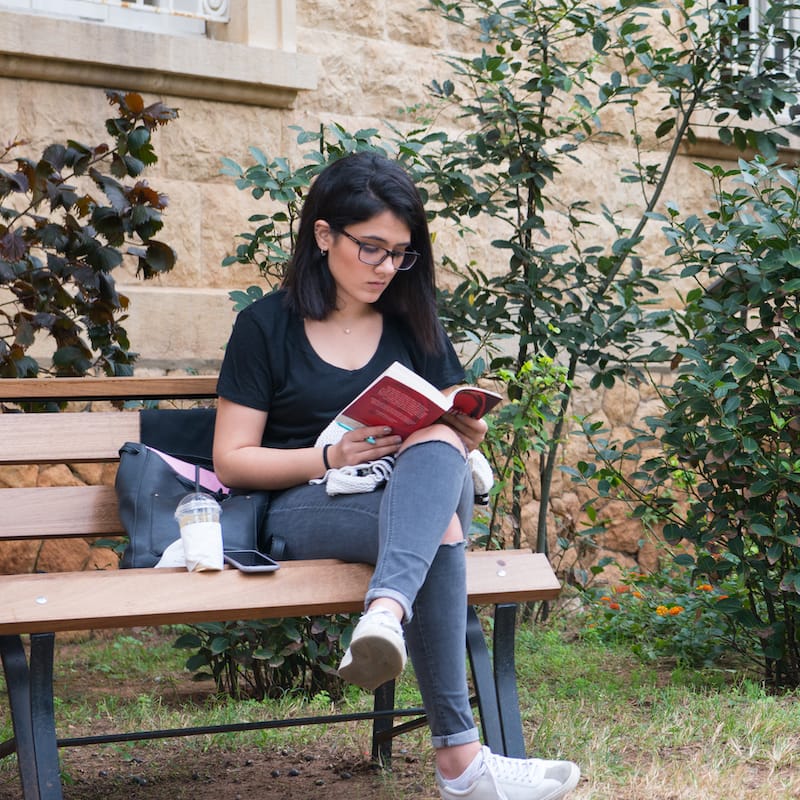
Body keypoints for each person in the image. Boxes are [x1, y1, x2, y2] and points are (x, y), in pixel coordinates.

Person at [212, 151, 580, 800]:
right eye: (372, 249)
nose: (386, 268)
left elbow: (447, 425)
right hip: (304, 504)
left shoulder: (412, 323)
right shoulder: (265, 327)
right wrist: (329, 457)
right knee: (439, 526)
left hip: (408, 499)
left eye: (400, 253)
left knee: (440, 447)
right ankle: (462, 765)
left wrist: (471, 431)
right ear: (324, 236)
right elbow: (233, 459)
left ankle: (385, 613)